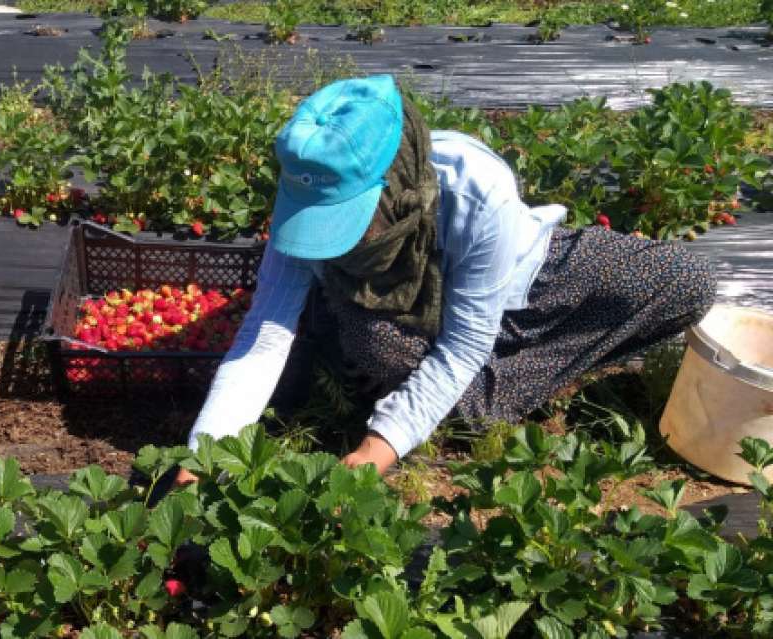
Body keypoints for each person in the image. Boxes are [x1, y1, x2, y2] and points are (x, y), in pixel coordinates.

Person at [176, 75, 716, 483]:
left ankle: (473, 390)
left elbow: (467, 338)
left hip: (523, 279)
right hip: (389, 310)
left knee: (682, 280)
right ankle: (458, 397)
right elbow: (266, 330)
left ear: (397, 182)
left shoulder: (477, 190)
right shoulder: (304, 204)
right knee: (385, 352)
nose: (332, 237)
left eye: (350, 219)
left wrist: (379, 444)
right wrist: (206, 451)